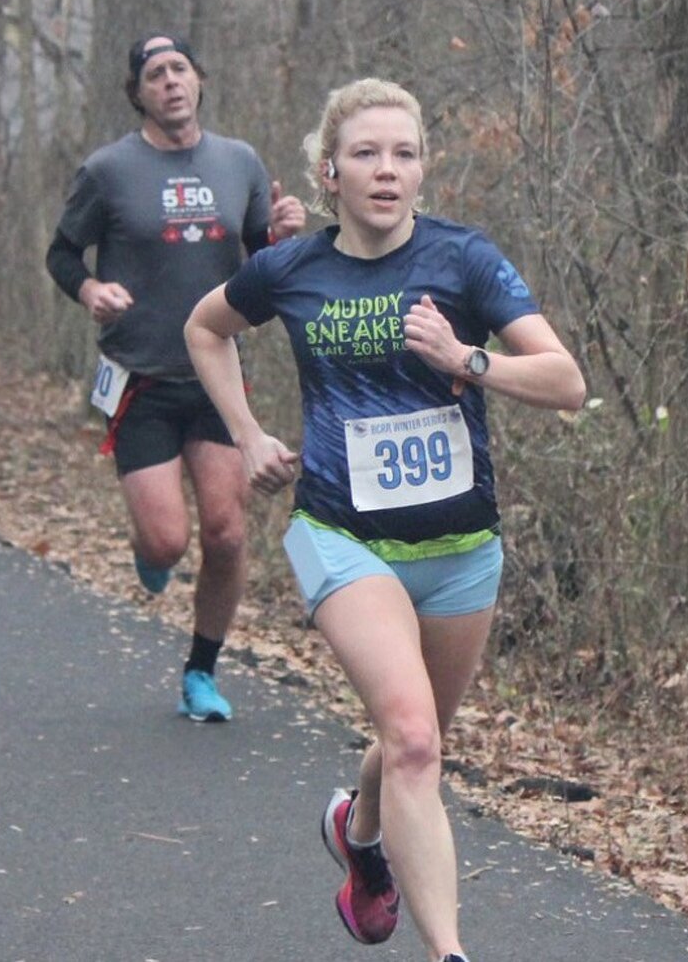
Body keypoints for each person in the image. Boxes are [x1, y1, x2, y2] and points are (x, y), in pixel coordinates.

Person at [184, 77, 586, 962]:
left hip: (461, 552)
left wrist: (468, 357)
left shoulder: (465, 260)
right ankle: (449, 951)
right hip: (342, 535)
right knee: (410, 736)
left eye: (404, 154)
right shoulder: (292, 268)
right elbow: (204, 329)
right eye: (366, 153)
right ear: (329, 171)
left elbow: (567, 382)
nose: (386, 170)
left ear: (423, 170)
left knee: (416, 745)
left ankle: (359, 837)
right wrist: (246, 434)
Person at [45, 33, 305, 723]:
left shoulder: (239, 161)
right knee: (166, 541)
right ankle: (150, 552)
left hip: (215, 377)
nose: (169, 83)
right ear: (138, 94)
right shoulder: (107, 170)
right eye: (154, 75)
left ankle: (200, 673)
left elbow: (262, 262)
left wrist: (282, 234)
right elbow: (62, 251)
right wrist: (91, 289)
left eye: (179, 70)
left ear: (199, 80)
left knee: (225, 533)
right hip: (140, 378)